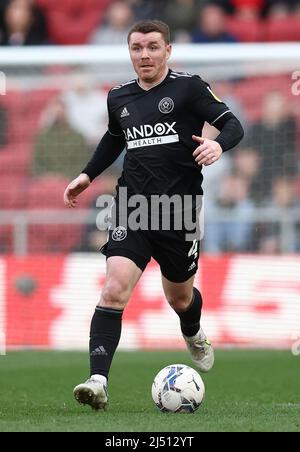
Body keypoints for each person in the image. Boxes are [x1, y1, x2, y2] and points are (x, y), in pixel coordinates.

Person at [64, 20, 244, 410]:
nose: (144, 54)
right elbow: (114, 138)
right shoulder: (119, 97)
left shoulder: (189, 87)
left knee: (179, 298)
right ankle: (97, 381)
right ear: (129, 52)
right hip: (132, 208)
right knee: (114, 288)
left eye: (152, 47)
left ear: (168, 50)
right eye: (136, 48)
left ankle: (193, 332)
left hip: (180, 213)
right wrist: (86, 175)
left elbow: (232, 124)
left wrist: (218, 148)